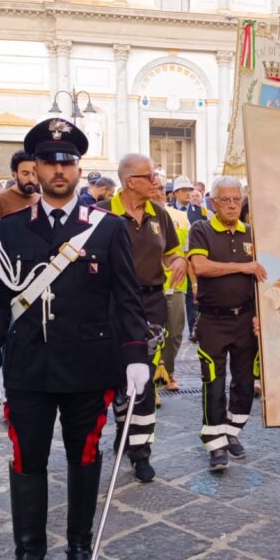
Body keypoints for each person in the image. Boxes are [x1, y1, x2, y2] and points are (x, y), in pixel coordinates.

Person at [0, 118, 149, 560]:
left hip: (89, 367)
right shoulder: (10, 230)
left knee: (85, 459)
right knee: (26, 462)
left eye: (67, 161)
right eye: (49, 161)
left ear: (78, 168)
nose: (58, 169)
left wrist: (135, 356)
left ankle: (78, 549)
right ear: (34, 167)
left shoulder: (107, 228)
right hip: (28, 369)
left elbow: (127, 297)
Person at [99, 155, 187, 481]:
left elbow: (171, 254)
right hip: (110, 303)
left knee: (145, 378)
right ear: (130, 181)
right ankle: (123, 426)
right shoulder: (103, 212)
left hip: (150, 304)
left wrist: (178, 262)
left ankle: (141, 451)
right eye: (150, 176)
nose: (156, 181)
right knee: (118, 376)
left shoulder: (159, 215)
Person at [187, 177, 266, 470]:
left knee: (245, 383)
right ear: (213, 202)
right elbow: (200, 266)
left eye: (236, 199)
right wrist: (243, 266)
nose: (232, 205)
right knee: (214, 383)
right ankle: (215, 444)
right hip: (213, 320)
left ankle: (232, 432)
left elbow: (264, 277)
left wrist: (262, 316)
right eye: (225, 200)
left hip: (246, 319)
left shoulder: (252, 234)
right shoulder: (201, 229)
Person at [154, 175, 190, 392]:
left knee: (175, 331)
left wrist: (194, 284)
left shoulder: (180, 217)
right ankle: (154, 380)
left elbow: (186, 253)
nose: (157, 191)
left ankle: (168, 369)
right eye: (154, 187)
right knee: (151, 333)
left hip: (176, 284)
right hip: (149, 286)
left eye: (160, 188)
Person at [0, 151, 40, 248]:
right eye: (25, 174)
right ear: (14, 175)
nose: (31, 179)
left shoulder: (42, 200)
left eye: (34, 173)